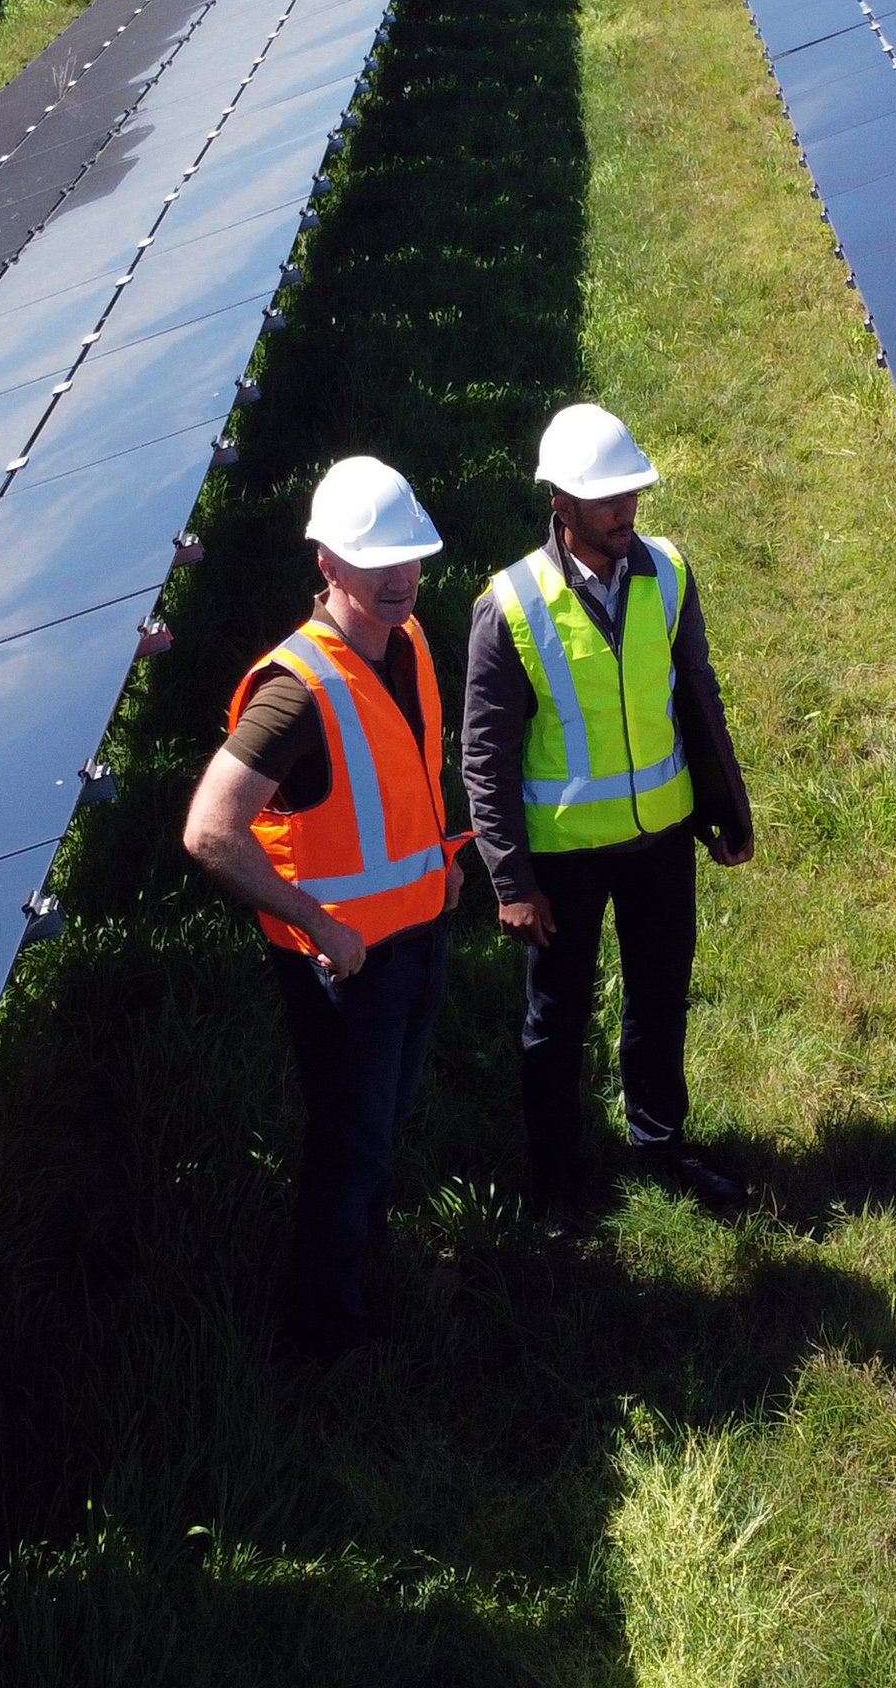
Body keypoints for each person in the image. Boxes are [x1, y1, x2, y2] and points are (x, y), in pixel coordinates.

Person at [182, 456, 462, 1362]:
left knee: (380, 1121)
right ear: (326, 565)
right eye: (375, 561)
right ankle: (324, 1336)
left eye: (410, 558)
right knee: (348, 1143)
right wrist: (319, 925)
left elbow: (407, 778)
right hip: (347, 966)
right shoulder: (295, 691)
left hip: (416, 936)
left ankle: (362, 1261)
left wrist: (443, 870)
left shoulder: (410, 639)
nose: (399, 578)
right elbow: (208, 831)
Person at [461, 403, 756, 1228]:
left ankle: (660, 1144)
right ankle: (557, 1185)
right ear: (560, 501)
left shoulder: (670, 574)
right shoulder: (510, 605)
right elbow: (484, 756)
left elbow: (698, 698)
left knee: (661, 997)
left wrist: (729, 814)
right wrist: (511, 882)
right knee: (557, 1020)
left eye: (632, 493)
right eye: (606, 498)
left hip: (661, 842)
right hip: (562, 858)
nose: (625, 510)